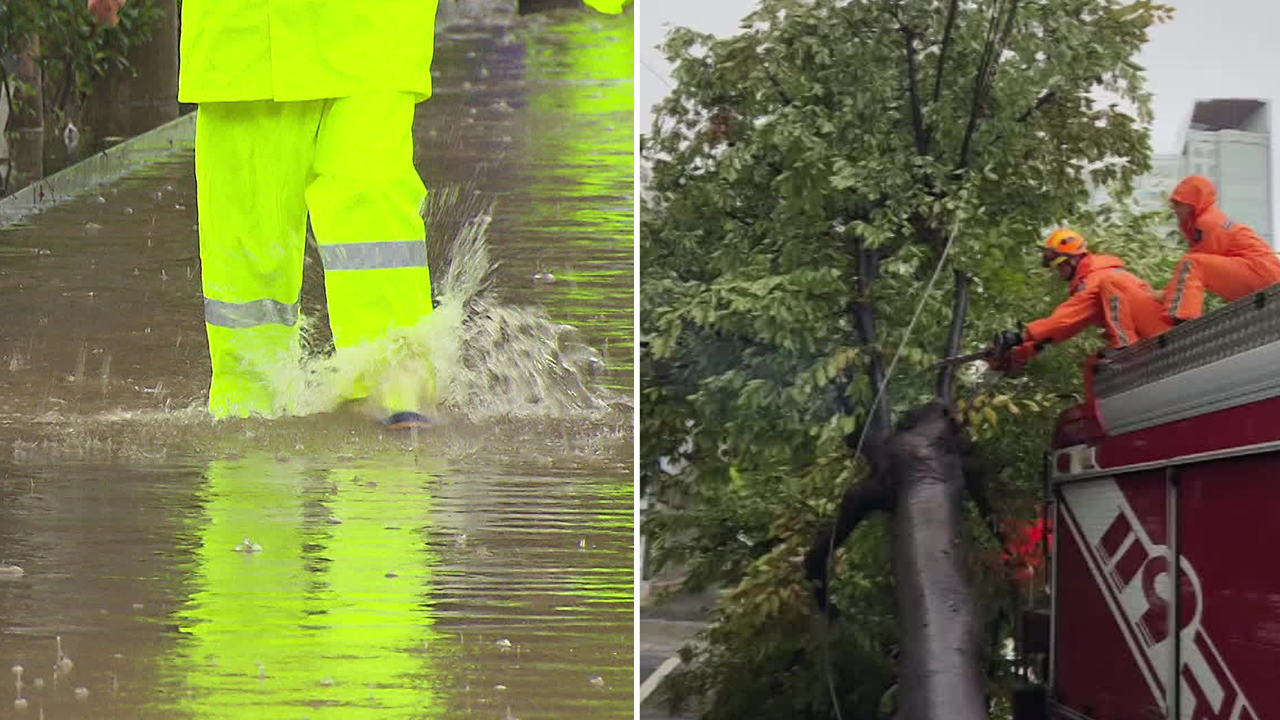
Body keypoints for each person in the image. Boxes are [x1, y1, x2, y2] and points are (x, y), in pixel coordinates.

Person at [992, 228, 1171, 375]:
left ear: (1072, 260)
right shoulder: (1095, 277)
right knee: (1093, 366)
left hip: (1158, 337)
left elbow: (1063, 320)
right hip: (1150, 338)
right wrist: (1025, 350)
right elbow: (1068, 325)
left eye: (1058, 265)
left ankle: (1127, 349)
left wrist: (1019, 337)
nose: (1057, 271)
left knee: (1101, 364)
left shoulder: (1097, 279)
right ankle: (1094, 415)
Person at [1162, 175, 1280, 323]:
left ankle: (1182, 320)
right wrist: (1167, 294)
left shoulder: (1208, 223)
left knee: (1192, 263)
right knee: (1191, 264)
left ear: (1192, 203)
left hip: (1258, 270)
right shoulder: (1207, 222)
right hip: (1263, 274)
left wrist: (1165, 296)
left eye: (1178, 203)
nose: (1174, 209)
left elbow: (1192, 269)